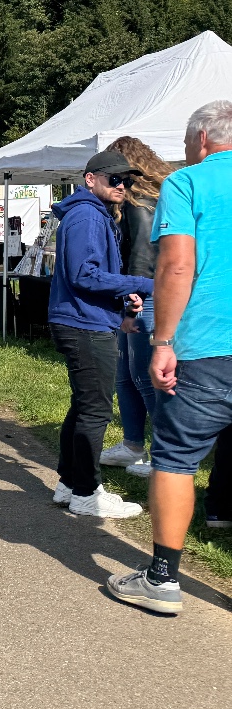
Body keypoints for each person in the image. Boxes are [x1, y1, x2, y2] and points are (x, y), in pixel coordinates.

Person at [108, 101, 232, 613]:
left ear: (201, 140)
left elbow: (177, 267)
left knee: (176, 460)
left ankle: (162, 579)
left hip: (206, 346)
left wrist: (162, 341)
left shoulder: (189, 184)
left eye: (186, 144)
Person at [45, 151, 154, 519]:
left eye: (127, 180)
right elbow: (84, 274)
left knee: (82, 408)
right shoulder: (88, 216)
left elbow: (90, 275)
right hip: (84, 324)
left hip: (83, 319)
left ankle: (69, 484)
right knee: (94, 411)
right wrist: (141, 283)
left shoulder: (90, 213)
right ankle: (86, 493)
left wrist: (124, 294)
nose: (122, 185)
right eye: (114, 179)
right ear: (90, 179)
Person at [98, 136, 172, 475]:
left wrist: (132, 300)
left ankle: (164, 454)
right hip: (148, 290)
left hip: (147, 294)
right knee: (128, 374)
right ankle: (132, 444)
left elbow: (142, 252)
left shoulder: (138, 201)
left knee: (146, 375)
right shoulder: (155, 195)